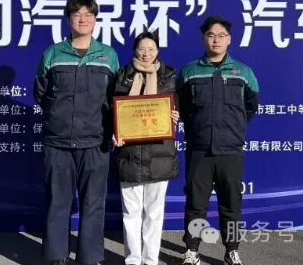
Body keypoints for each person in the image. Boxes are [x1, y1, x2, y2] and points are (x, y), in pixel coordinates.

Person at [33, 0, 119, 265]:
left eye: (88, 14)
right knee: (57, 202)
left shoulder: (108, 55)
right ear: (68, 19)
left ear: (95, 19)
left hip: (95, 142)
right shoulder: (53, 53)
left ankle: (89, 258)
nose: (83, 19)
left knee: (93, 204)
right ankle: (57, 257)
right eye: (77, 14)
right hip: (57, 142)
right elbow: (41, 93)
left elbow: (115, 98)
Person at [176, 16, 259, 265]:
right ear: (203, 39)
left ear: (229, 39)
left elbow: (251, 107)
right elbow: (182, 107)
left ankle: (231, 250)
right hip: (199, 149)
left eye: (221, 36)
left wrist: (233, 128)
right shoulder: (189, 71)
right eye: (211, 35)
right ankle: (192, 250)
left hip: (230, 150)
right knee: (196, 204)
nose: (216, 40)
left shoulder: (244, 72)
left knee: (231, 204)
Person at [111, 31, 180, 265]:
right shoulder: (122, 76)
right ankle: (132, 260)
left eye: (151, 49)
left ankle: (150, 260)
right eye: (142, 48)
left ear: (157, 51)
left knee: (154, 213)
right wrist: (116, 131)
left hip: (159, 153)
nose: (146, 53)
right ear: (134, 50)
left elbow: (176, 106)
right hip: (129, 153)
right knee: (130, 214)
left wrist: (175, 114)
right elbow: (112, 109)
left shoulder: (169, 77)